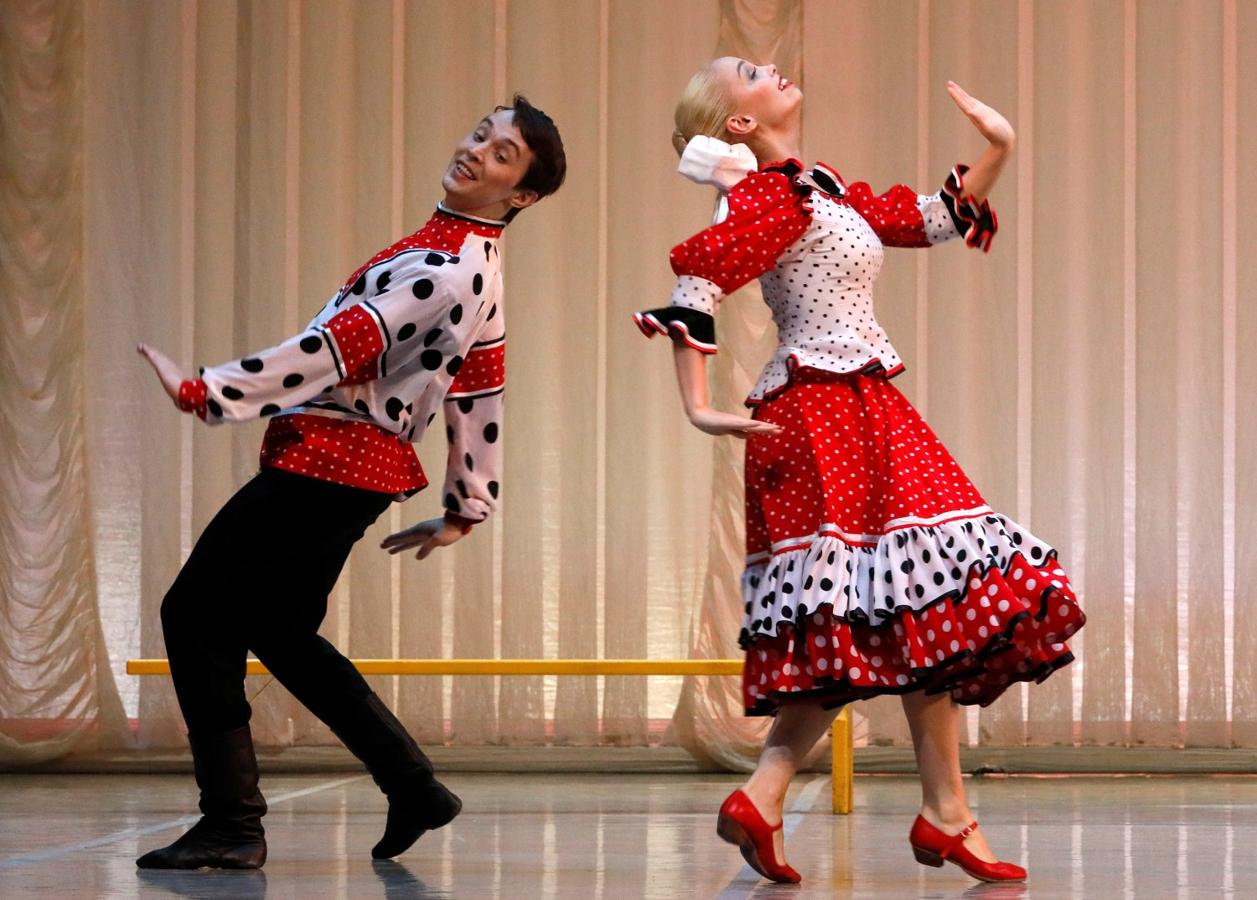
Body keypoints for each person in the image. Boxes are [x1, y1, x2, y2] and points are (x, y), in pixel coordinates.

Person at [634, 59, 1083, 885]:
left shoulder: (820, 190)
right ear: (739, 122)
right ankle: (927, 811)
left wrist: (999, 146)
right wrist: (696, 402)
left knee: (908, 606)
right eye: (749, 72)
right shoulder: (772, 195)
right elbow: (697, 275)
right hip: (826, 409)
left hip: (852, 403)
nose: (766, 67)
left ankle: (793, 798)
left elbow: (926, 218)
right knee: (915, 596)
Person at [134, 95, 566, 869]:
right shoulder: (473, 261)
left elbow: (337, 348)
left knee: (194, 614)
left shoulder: (445, 267)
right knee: (279, 630)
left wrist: (208, 391)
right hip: (352, 467)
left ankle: (232, 824)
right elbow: (478, 385)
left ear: (521, 195)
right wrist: (466, 504)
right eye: (479, 134)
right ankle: (412, 785)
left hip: (334, 462)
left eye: (501, 155)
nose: (475, 152)